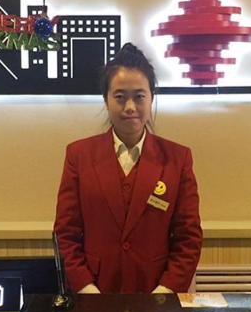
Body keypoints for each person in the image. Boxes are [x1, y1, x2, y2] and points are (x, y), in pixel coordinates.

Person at [54, 43, 202, 294]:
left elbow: (189, 238)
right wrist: (87, 290)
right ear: (106, 99)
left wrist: (164, 293)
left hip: (157, 296)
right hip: (94, 296)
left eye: (139, 96)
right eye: (120, 97)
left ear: (151, 97)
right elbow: (66, 234)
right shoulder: (79, 155)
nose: (130, 107)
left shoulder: (178, 159)